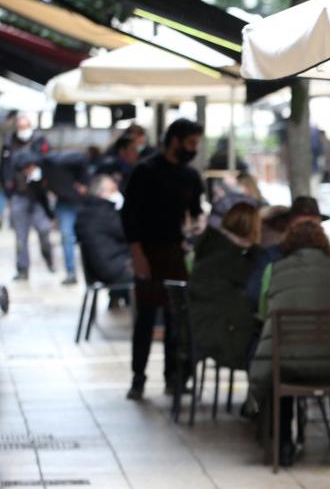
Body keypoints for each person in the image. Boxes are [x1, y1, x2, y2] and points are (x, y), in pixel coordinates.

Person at [248, 221, 330, 467]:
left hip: (290, 364)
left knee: (277, 364)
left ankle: (284, 445)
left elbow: (264, 311)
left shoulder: (274, 270)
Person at [120, 119, 205, 400]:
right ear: (175, 140)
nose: (194, 149)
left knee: (175, 318)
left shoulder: (190, 176)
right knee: (145, 317)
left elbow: (195, 211)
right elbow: (129, 216)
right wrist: (137, 254)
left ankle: (174, 376)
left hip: (175, 252)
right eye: (191, 143)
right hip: (148, 251)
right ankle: (138, 377)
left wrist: (197, 226)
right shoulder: (145, 171)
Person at [189, 203, 261, 374]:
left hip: (202, 328)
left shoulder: (212, 247)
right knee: (268, 342)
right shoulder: (231, 258)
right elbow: (254, 294)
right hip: (222, 335)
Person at [3, 114, 54, 281]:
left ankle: (48, 257)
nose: (23, 130)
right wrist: (8, 189)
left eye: (26, 126)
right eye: (20, 127)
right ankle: (23, 269)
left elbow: (49, 161)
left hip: (38, 196)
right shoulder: (9, 143)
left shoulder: (40, 141)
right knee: (21, 236)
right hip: (18, 195)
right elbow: (5, 168)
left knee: (44, 230)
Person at [74, 175, 131, 288]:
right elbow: (128, 233)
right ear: (102, 193)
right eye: (113, 190)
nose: (117, 193)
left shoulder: (86, 212)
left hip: (97, 270)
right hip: (114, 268)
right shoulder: (104, 213)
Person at [44, 149, 91, 285]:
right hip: (65, 203)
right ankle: (71, 272)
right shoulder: (47, 168)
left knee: (85, 237)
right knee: (67, 237)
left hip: (79, 202)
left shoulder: (66, 164)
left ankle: (89, 272)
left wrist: (84, 183)